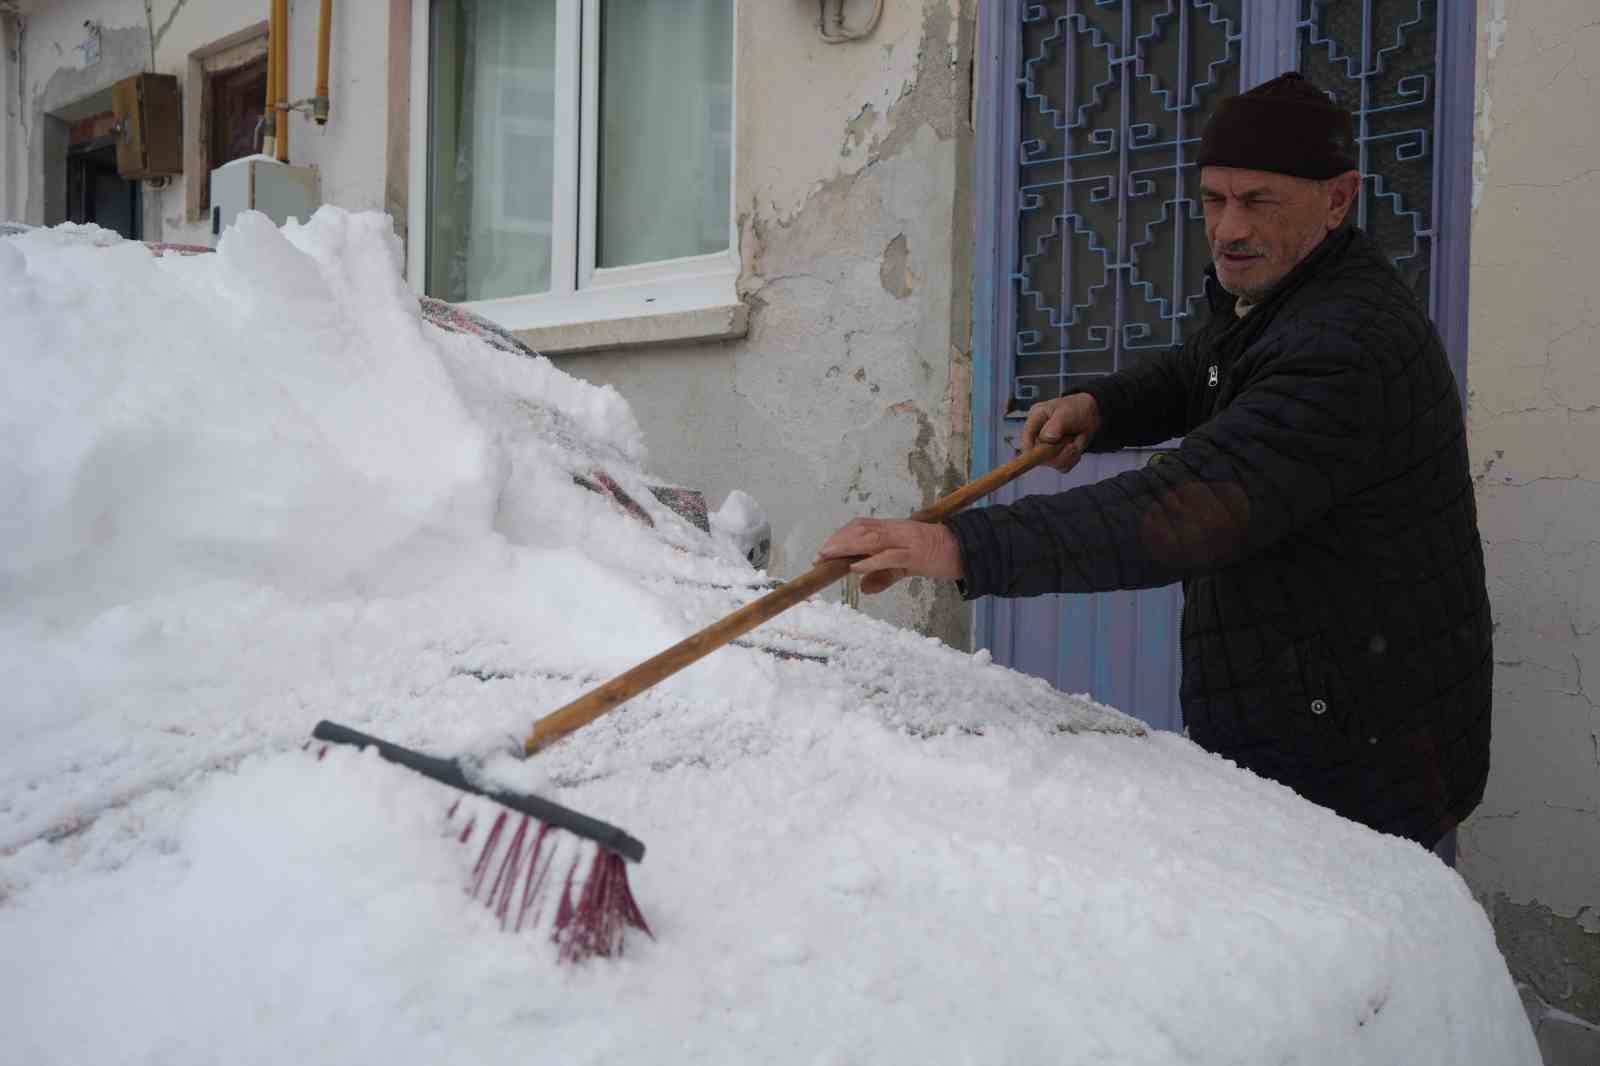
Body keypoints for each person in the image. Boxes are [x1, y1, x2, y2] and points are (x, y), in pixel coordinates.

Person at [817, 73, 1491, 851]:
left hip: (1360, 758)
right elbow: (1199, 369)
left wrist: (963, 544)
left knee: (1346, 966)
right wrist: (1102, 409)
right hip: (1311, 716)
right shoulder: (1281, 299)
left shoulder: (1350, 343)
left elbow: (1188, 508)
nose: (1228, 228)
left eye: (1259, 200)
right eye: (1213, 200)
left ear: (1338, 199)